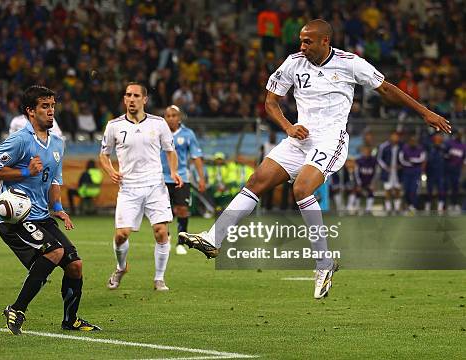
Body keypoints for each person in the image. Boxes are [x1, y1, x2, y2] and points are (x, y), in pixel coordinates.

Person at [178, 19, 451, 299]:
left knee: (302, 189)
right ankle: (213, 239)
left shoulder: (350, 63)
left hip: (331, 140)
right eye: (301, 40)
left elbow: (386, 88)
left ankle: (323, 263)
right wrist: (287, 127)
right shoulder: (293, 63)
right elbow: (270, 101)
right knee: (257, 180)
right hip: (298, 138)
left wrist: (425, 112)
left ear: (325, 42)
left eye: (308, 41)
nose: (302, 46)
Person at [0, 85, 99, 335]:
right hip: (16, 217)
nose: (50, 111)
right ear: (30, 111)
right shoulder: (20, 140)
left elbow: (54, 179)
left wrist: (57, 207)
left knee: (75, 265)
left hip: (42, 216)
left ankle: (70, 321)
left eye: (52, 106)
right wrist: (26, 171)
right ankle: (17, 308)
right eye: (44, 106)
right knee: (55, 252)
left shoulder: (58, 143)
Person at [99, 82, 183, 291]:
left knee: (161, 231)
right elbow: (104, 154)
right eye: (128, 95)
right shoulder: (114, 126)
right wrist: (110, 171)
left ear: (144, 99)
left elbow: (170, 151)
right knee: (121, 235)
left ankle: (159, 278)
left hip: (155, 185)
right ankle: (121, 267)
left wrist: (173, 172)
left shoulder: (158, 123)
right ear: (124, 99)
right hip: (129, 188)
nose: (131, 99)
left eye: (136, 95)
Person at [160, 105, 205, 255]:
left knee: (182, 210)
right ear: (165, 118)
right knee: (161, 212)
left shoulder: (188, 134)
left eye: (174, 115)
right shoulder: (158, 133)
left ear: (179, 118)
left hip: (181, 178)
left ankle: (181, 242)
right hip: (161, 178)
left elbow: (196, 157)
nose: (171, 118)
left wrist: (201, 178)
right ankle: (165, 237)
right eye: (168, 115)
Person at [399, 135, 426, 213]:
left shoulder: (420, 149)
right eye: (411, 141)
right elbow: (401, 160)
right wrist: (411, 163)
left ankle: (413, 206)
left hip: (416, 173)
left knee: (414, 190)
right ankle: (408, 205)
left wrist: (412, 160)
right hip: (406, 173)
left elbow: (421, 159)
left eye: (414, 141)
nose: (413, 143)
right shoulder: (404, 148)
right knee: (406, 190)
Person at [378, 132, 403, 214]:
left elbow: (404, 158)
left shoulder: (402, 146)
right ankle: (388, 209)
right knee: (387, 190)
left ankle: (397, 209)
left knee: (397, 190)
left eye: (396, 137)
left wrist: (400, 165)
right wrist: (386, 167)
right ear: (390, 137)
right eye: (393, 137)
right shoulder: (384, 146)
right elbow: (379, 159)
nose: (395, 138)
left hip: (398, 173)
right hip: (387, 172)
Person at [424, 133, 446, 213]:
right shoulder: (429, 147)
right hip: (431, 172)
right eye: (436, 138)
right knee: (429, 190)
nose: (437, 140)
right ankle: (427, 206)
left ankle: (440, 207)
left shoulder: (443, 148)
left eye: (439, 138)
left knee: (441, 190)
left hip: (440, 173)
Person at [444, 131, 466, 212]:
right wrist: (449, 155)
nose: (460, 136)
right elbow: (444, 154)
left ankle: (455, 204)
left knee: (455, 187)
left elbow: (464, 158)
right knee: (447, 187)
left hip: (457, 170)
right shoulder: (449, 143)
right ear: (456, 135)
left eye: (461, 135)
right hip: (448, 169)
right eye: (459, 135)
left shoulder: (464, 146)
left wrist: (463, 168)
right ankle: (447, 205)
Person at [355, 146, 377, 214]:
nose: (366, 153)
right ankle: (357, 208)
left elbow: (376, 172)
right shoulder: (359, 160)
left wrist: (373, 183)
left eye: (368, 151)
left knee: (371, 192)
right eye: (365, 151)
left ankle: (368, 209)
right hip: (361, 180)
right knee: (358, 192)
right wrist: (358, 184)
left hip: (370, 181)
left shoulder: (374, 161)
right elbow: (356, 173)